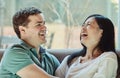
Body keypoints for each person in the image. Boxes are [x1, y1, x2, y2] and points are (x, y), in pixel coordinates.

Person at [0, 7, 60, 78]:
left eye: (44, 23)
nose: (44, 28)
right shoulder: (14, 53)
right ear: (22, 30)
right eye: (38, 24)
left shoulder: (50, 59)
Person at [55, 14, 120, 78]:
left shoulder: (108, 58)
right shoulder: (71, 59)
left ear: (101, 32)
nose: (82, 28)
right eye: (83, 25)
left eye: (88, 25)